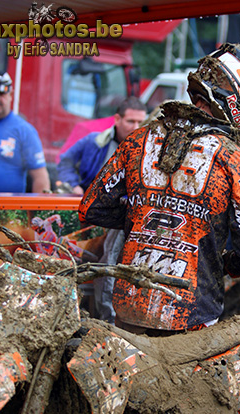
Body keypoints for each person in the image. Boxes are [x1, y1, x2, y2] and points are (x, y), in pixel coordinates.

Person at [78, 43, 240, 334]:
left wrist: (142, 215)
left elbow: (91, 207)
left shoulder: (137, 140)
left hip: (131, 305)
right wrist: (226, 263)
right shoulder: (230, 157)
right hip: (193, 315)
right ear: (236, 96)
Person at [58, 96, 147, 323]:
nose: (136, 127)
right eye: (130, 121)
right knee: (84, 261)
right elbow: (65, 161)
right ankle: (77, 314)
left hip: (121, 218)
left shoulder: (146, 149)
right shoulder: (94, 142)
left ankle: (108, 320)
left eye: (140, 122)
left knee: (108, 263)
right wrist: (74, 185)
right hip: (91, 215)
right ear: (117, 119)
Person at [0, 72, 50, 193]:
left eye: (2, 94)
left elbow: (40, 177)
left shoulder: (24, 131)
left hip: (9, 210)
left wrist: (38, 210)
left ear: (11, 95)